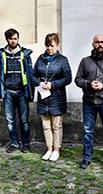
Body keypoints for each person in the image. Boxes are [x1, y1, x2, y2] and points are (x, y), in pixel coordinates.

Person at [75, 34, 103, 171]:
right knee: (87, 130)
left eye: (102, 42)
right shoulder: (85, 61)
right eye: (97, 42)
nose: (99, 44)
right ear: (92, 44)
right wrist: (89, 84)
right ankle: (87, 157)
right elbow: (77, 79)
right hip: (89, 101)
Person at [31, 33, 72, 161]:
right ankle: (49, 148)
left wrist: (53, 85)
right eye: (47, 45)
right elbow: (32, 75)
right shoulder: (40, 59)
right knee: (46, 125)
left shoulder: (62, 60)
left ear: (57, 45)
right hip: (43, 96)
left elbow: (68, 78)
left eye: (52, 46)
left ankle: (56, 150)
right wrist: (39, 83)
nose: (49, 48)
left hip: (57, 97)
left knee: (56, 125)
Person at [0, 28, 34, 153]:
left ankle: (26, 144)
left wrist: (30, 92)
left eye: (15, 38)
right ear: (7, 39)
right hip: (8, 92)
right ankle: (14, 143)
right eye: (11, 39)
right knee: (10, 120)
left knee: (24, 120)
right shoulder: (1, 55)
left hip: (22, 91)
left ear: (18, 39)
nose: (13, 41)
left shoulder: (25, 55)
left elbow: (30, 74)